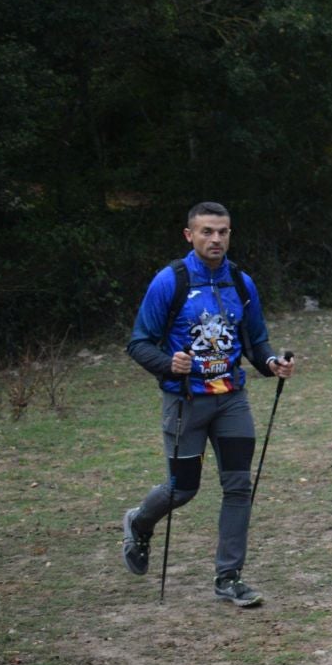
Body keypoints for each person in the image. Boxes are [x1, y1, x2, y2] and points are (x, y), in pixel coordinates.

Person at [120, 202, 296, 607]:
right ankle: (140, 521)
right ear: (189, 235)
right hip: (186, 401)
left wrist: (272, 363)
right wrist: (169, 363)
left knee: (238, 486)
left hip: (232, 400)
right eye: (206, 232)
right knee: (182, 489)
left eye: (223, 232)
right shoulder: (170, 281)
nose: (216, 239)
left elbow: (255, 339)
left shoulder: (240, 281)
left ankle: (229, 576)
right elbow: (138, 343)